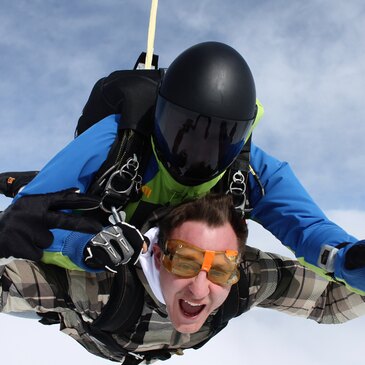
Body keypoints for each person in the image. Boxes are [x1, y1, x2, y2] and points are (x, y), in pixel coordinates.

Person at [0, 41, 364, 294]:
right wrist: (85, 246)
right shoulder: (115, 140)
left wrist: (350, 259)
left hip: (185, 266)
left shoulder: (250, 171)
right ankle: (17, 180)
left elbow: (308, 228)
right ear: (158, 115)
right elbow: (22, 219)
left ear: (243, 135)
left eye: (221, 138)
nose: (196, 153)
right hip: (115, 250)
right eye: (182, 130)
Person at [1, 193, 365, 364]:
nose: (199, 286)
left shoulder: (246, 280)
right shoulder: (99, 281)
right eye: (185, 262)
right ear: (158, 255)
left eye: (220, 269)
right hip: (90, 322)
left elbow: (329, 301)